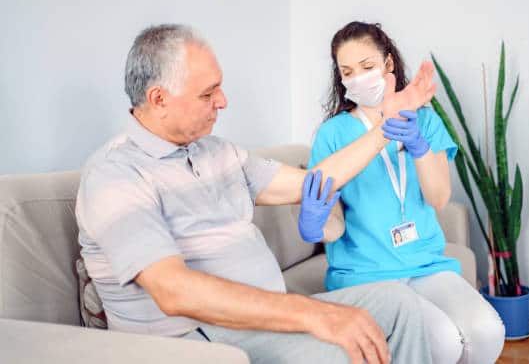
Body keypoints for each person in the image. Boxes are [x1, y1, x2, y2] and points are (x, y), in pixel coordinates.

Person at [75, 24, 437, 364]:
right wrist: (314, 314)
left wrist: (388, 127)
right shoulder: (114, 175)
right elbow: (174, 292)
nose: (223, 101)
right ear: (158, 99)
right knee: (340, 353)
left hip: (261, 321)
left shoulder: (216, 152)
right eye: (207, 93)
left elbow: (312, 182)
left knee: (400, 304)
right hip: (192, 339)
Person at [300, 21, 505, 364]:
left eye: (367, 67)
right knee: (442, 342)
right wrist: (315, 223)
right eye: (347, 72)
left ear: (389, 64)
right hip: (365, 274)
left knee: (487, 331)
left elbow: (439, 198)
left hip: (424, 262)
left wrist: (418, 145)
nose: (357, 79)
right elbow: (333, 223)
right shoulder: (332, 134)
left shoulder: (422, 120)